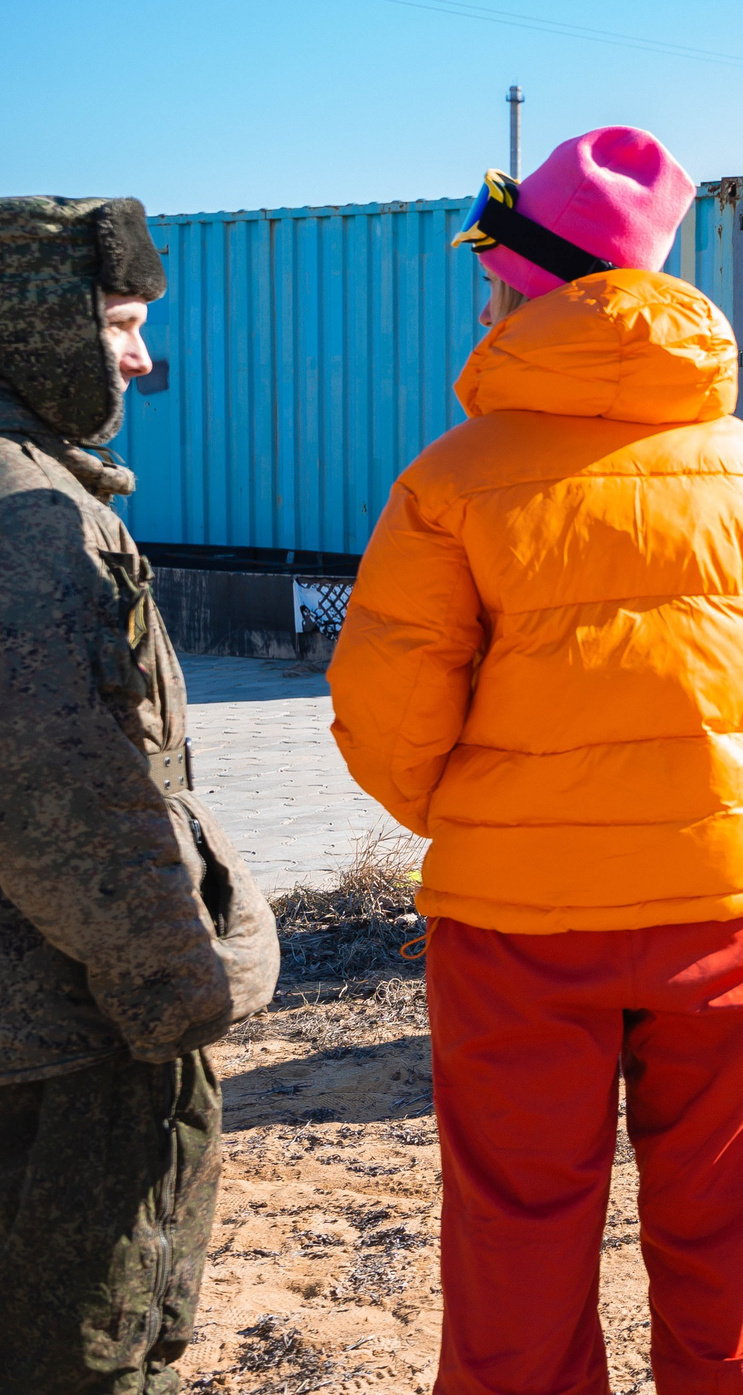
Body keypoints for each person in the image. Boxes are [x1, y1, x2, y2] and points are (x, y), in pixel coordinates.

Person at [327, 128, 743, 1395]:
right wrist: (710, 798)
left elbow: (389, 722)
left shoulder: (450, 481)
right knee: (737, 1234)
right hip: (729, 913)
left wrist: (494, 819)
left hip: (516, 933)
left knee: (516, 1237)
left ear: (524, 291)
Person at [0, 195, 279, 1392]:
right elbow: (55, 786)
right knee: (87, 1347)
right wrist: (181, 991)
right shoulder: (29, 517)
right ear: (33, 326)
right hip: (60, 1042)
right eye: (118, 321)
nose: (140, 356)